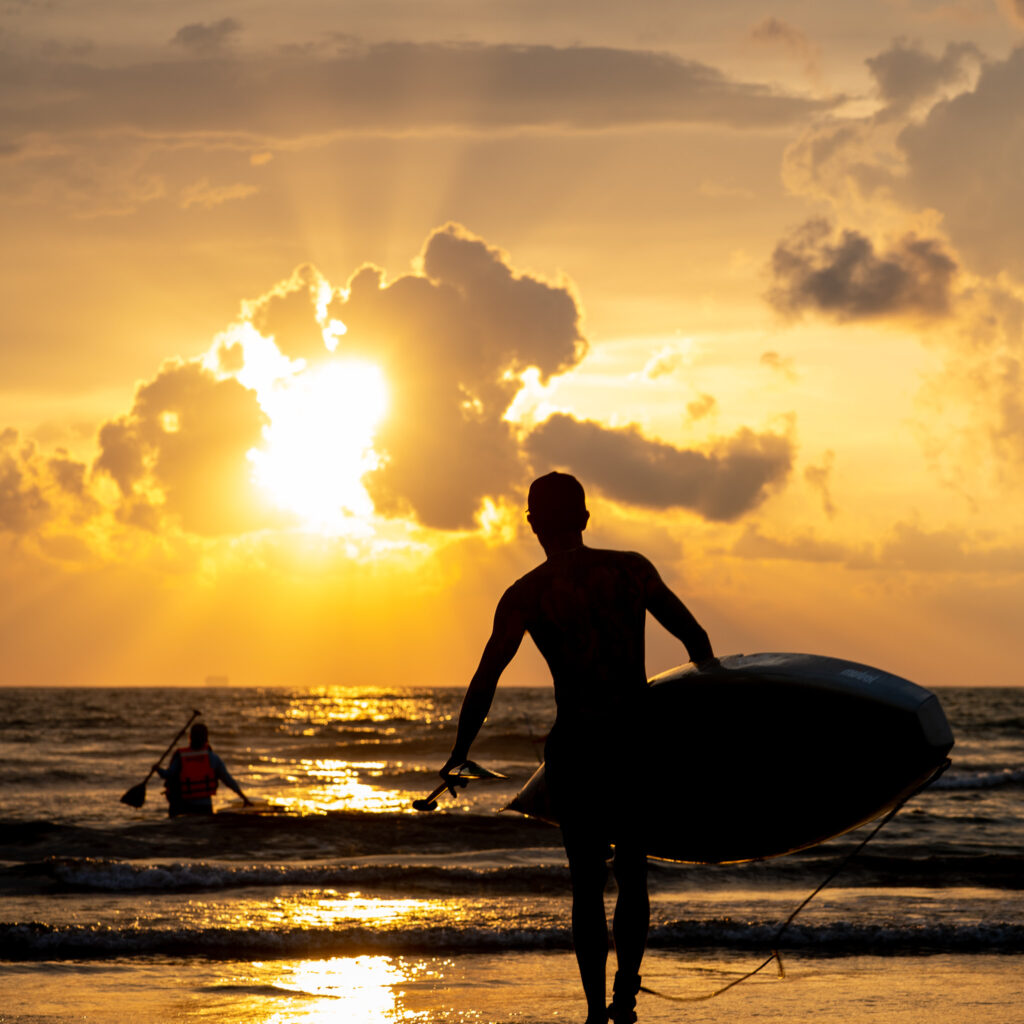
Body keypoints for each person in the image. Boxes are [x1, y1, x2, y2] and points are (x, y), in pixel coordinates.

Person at [440, 472, 715, 1024]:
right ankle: (626, 1000)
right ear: (585, 518)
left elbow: (486, 678)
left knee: (586, 885)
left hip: (578, 749)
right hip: (634, 742)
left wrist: (459, 750)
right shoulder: (631, 570)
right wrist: (704, 730)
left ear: (533, 523)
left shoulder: (524, 596)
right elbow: (697, 642)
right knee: (633, 873)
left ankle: (594, 1014)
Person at [155, 722, 252, 816]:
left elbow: (168, 774)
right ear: (206, 738)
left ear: (190, 737)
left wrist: (157, 769)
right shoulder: (212, 757)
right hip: (204, 807)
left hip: (182, 806)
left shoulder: (181, 756)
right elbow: (228, 780)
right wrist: (244, 798)